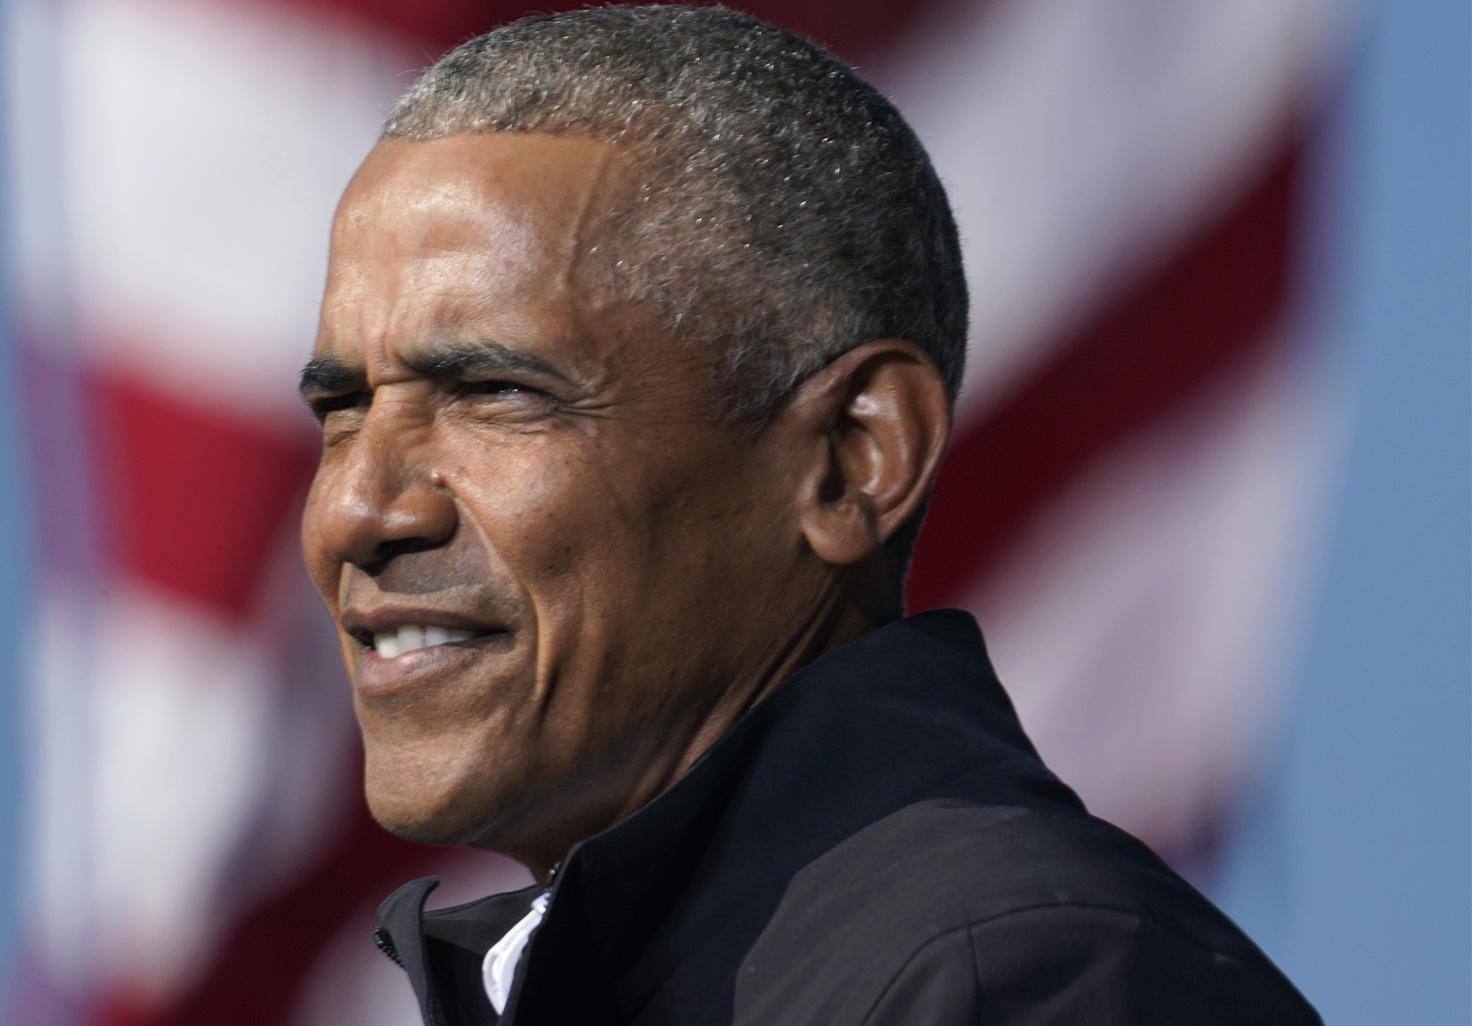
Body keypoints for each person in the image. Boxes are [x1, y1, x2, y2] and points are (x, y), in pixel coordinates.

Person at [297, 6, 1320, 1024]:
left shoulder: (1029, 984)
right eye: (342, 409)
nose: (355, 510)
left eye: (494, 392)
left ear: (852, 459)